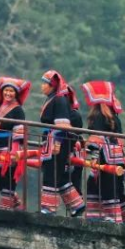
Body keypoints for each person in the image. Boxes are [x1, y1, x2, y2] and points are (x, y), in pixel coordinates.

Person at [81, 81, 125, 225]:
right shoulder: (114, 116)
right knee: (117, 188)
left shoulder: (98, 116)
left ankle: (107, 217)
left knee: (102, 186)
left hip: (104, 157)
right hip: (118, 158)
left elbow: (96, 139)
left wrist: (93, 158)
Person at [38, 70, 85, 216]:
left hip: (57, 142)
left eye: (45, 84)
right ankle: (76, 204)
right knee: (58, 174)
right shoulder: (53, 98)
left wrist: (57, 142)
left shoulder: (59, 99)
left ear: (52, 85)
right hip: (51, 140)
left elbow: (62, 124)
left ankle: (49, 208)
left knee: (52, 173)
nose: (42, 86)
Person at [0, 76, 30, 210]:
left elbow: (19, 132)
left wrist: (14, 151)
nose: (8, 93)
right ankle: (16, 203)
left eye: (11, 91)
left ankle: (6, 207)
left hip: (10, 145)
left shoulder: (18, 110)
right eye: (6, 90)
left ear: (16, 94)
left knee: (8, 176)